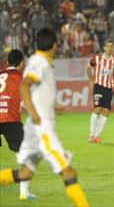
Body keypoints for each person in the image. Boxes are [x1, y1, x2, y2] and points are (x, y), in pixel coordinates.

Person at [0, 28, 89, 207]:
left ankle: (24, 193)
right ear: (55, 45)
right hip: (37, 127)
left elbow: (37, 94)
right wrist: (34, 115)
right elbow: (25, 87)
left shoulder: (41, 63)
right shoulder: (39, 63)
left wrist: (54, 107)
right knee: (68, 172)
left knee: (25, 172)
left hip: (30, 125)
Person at [0, 49, 35, 200]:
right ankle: (24, 193)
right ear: (21, 63)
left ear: (7, 62)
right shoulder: (22, 78)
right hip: (10, 118)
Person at [87, 39, 114, 143]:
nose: (110, 48)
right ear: (104, 48)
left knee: (106, 112)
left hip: (108, 88)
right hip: (98, 86)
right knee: (97, 109)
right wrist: (91, 79)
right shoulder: (96, 59)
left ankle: (96, 136)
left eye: (111, 46)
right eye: (108, 46)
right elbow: (88, 68)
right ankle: (91, 134)